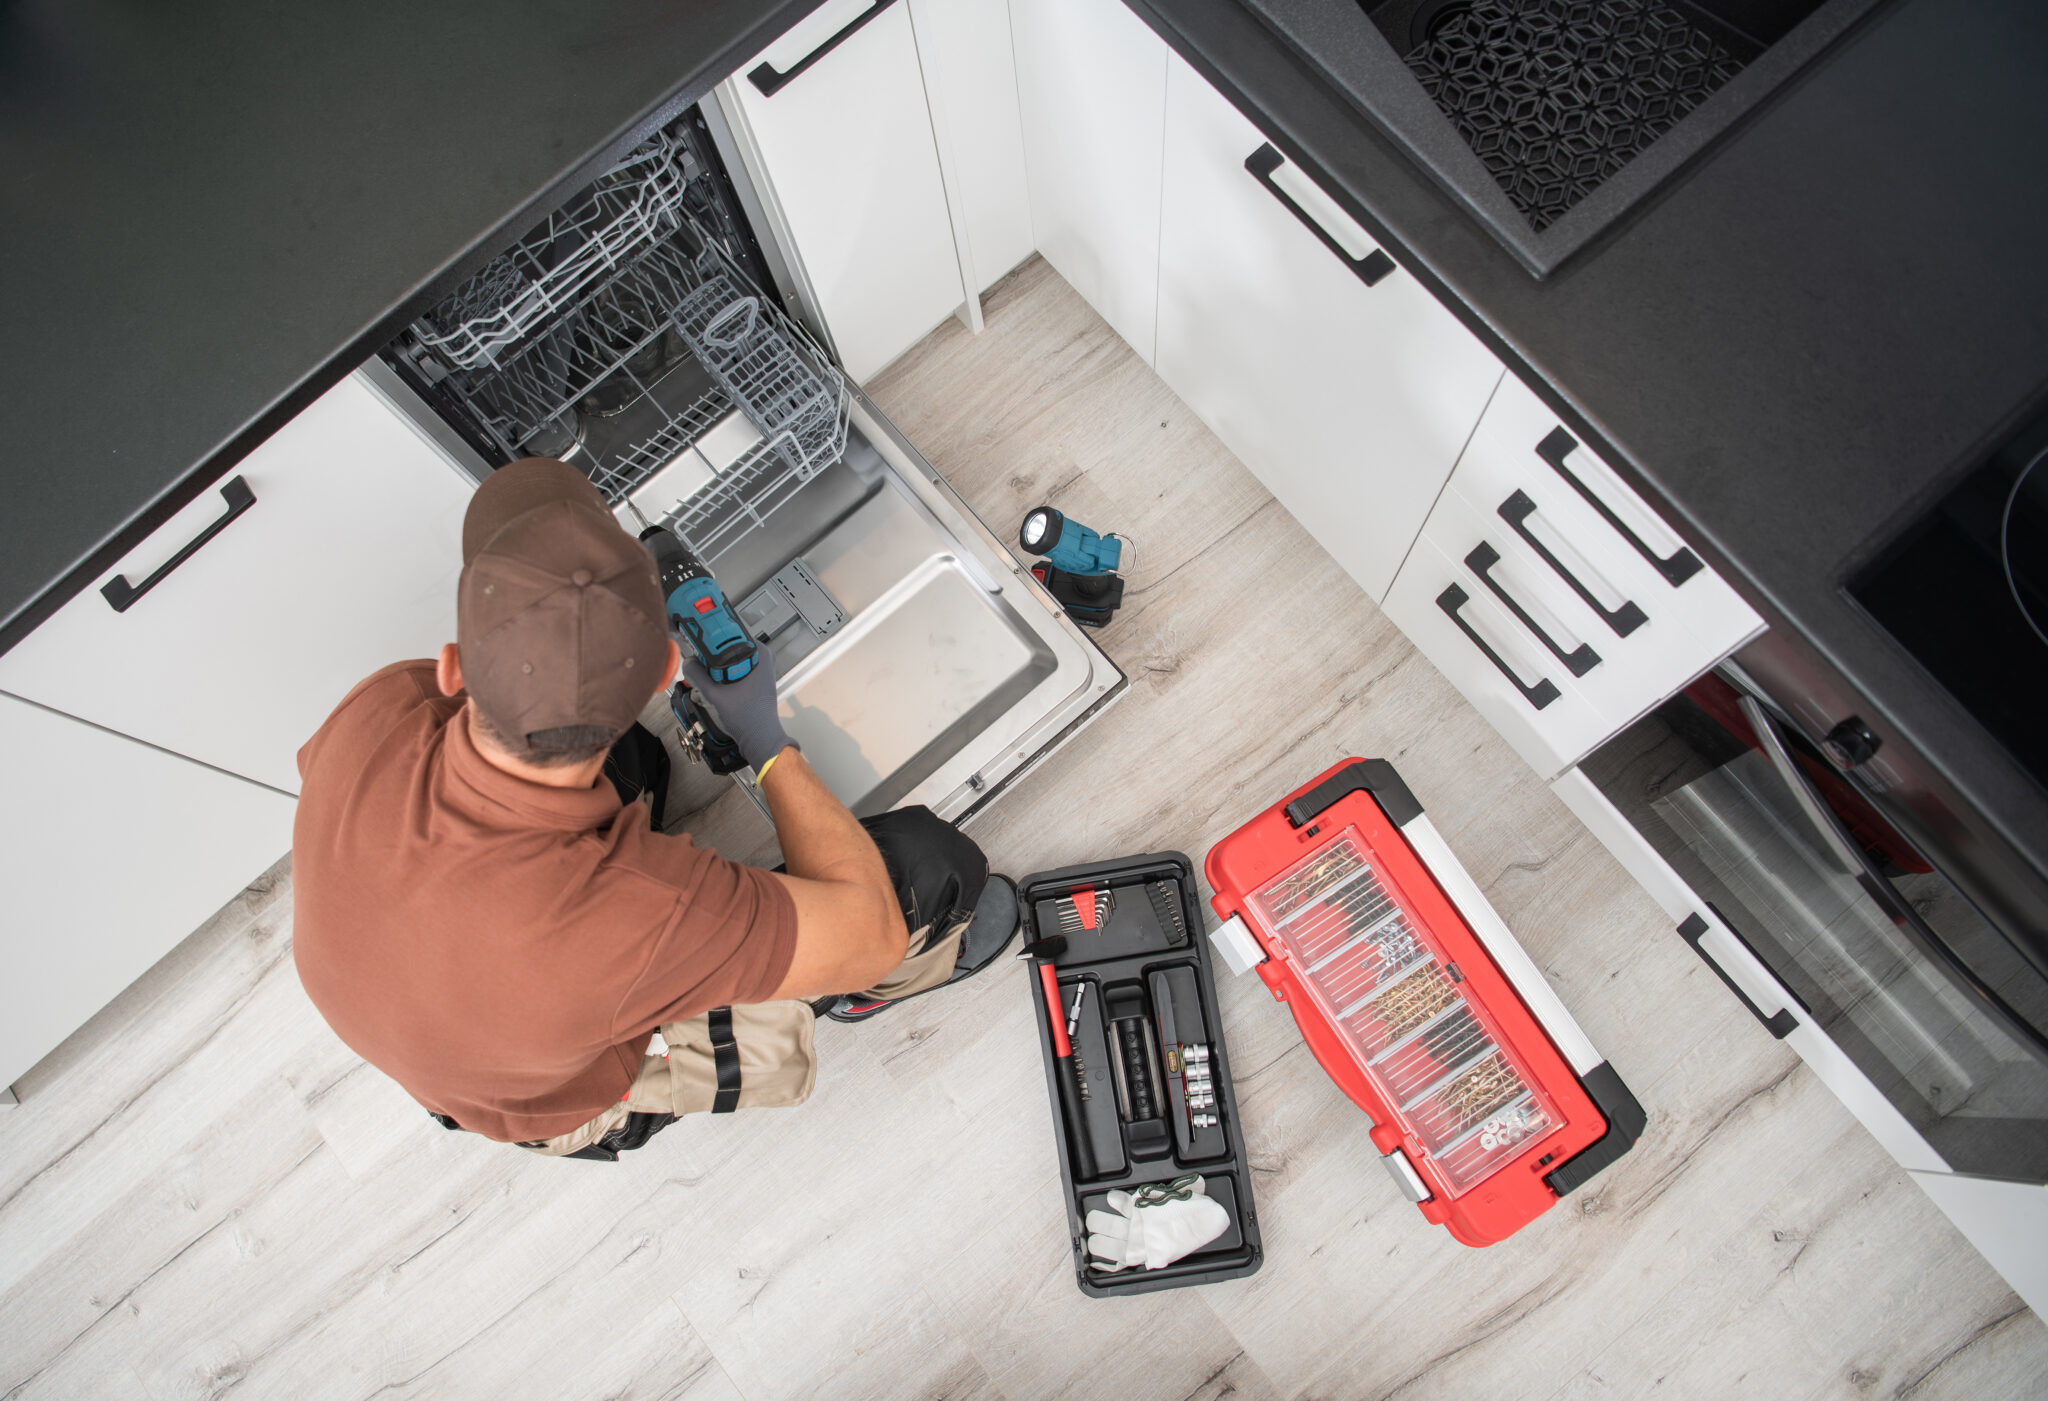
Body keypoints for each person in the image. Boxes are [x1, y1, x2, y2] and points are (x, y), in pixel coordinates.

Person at [291, 458, 1018, 1160]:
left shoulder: (381, 708)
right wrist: (765, 743)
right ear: (669, 671)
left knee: (633, 764)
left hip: (431, 1013)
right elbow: (872, 933)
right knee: (926, 869)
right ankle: (845, 1000)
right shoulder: (642, 915)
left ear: (453, 667)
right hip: (550, 1097)